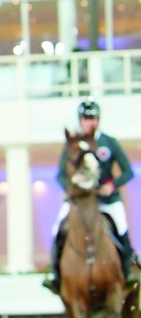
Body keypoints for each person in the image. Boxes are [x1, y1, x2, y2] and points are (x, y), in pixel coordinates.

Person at [43, 99, 137, 294]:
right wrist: (70, 189)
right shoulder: (73, 144)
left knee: (121, 227)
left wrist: (112, 185)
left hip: (107, 200)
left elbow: (128, 171)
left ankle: (127, 271)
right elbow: (60, 175)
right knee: (57, 228)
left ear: (98, 120)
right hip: (79, 202)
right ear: (80, 120)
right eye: (86, 118)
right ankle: (55, 274)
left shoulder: (109, 142)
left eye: (93, 118)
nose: (89, 122)